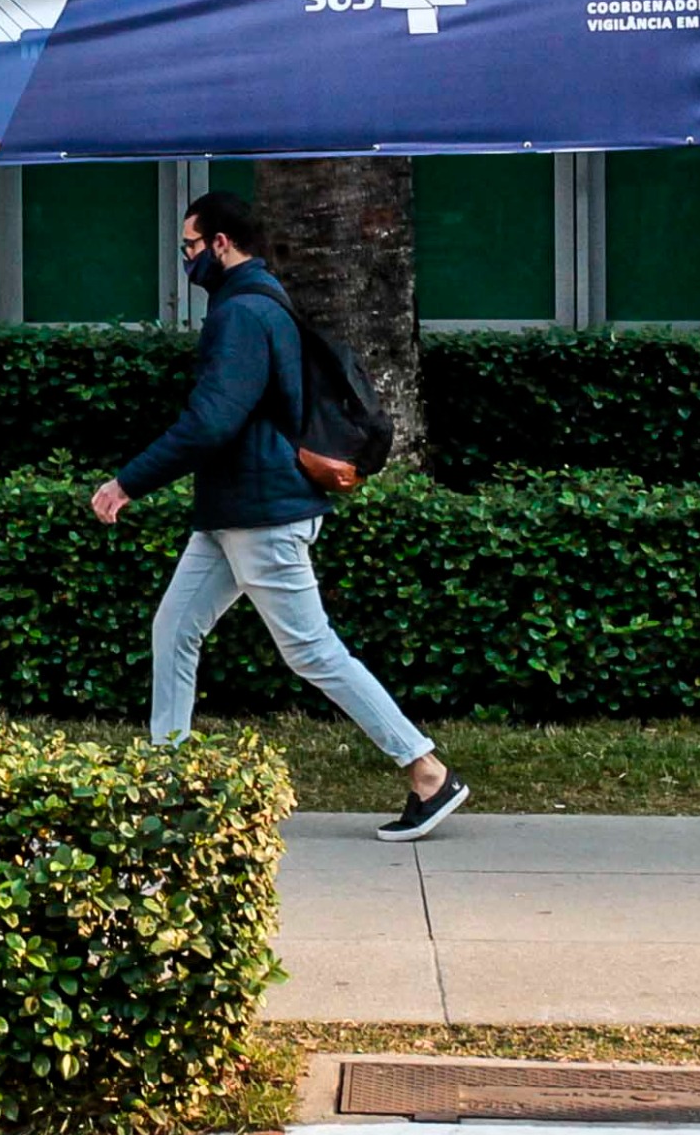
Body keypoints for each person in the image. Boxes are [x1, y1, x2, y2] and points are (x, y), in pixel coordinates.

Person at [90, 192, 470, 843]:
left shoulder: (240, 314)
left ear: (219, 244)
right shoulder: (266, 299)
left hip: (260, 512)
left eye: (188, 245)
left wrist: (127, 482)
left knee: (312, 649)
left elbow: (212, 420)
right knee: (174, 627)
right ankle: (168, 779)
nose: (185, 258)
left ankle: (427, 770)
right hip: (238, 508)